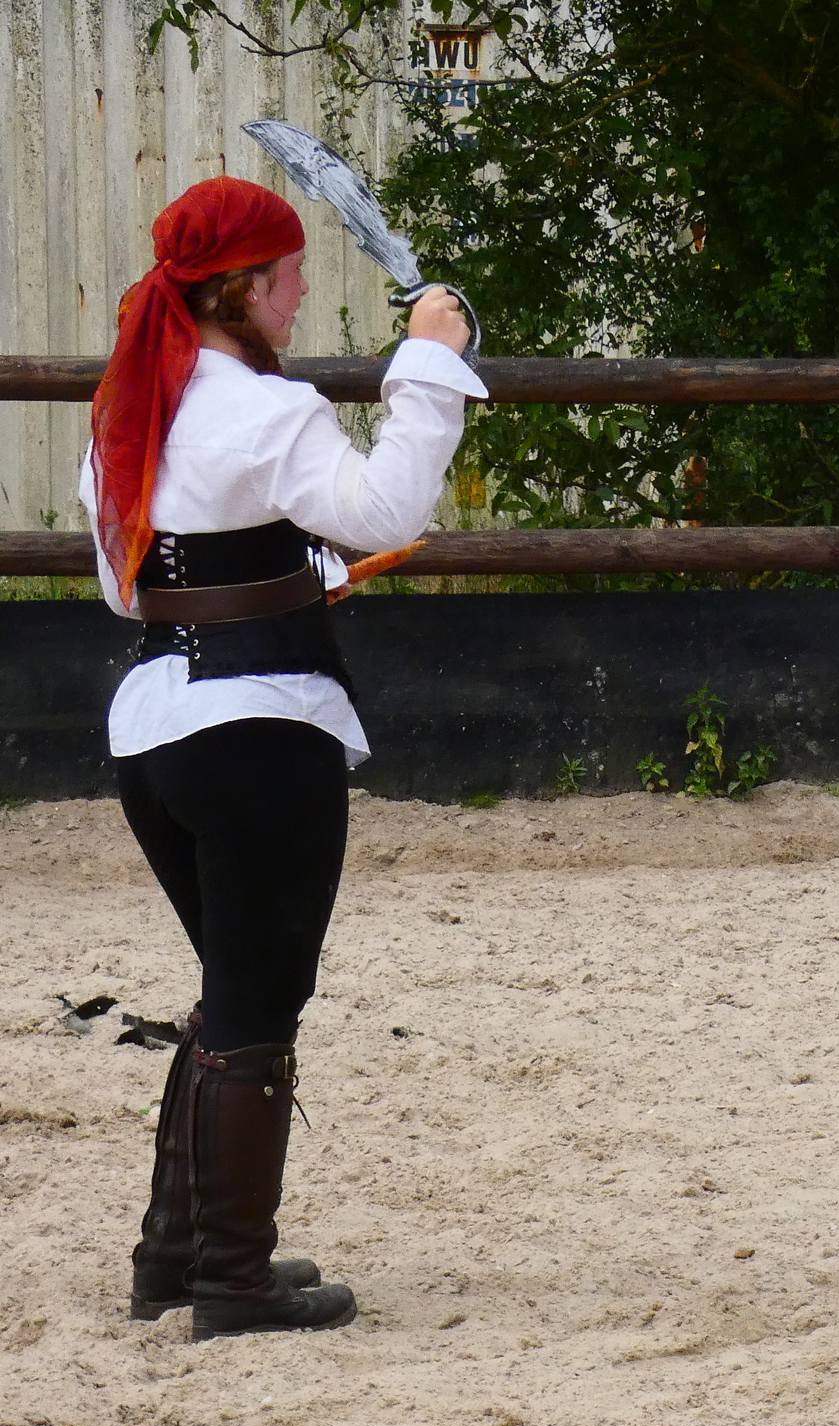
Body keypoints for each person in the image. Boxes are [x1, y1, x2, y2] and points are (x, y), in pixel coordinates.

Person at [83, 176, 483, 1340]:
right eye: (291, 274)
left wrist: (284, 577)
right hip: (260, 735)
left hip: (155, 734)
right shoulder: (269, 411)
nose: (302, 292)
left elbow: (127, 588)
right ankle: (234, 1282)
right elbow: (387, 507)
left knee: (232, 991)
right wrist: (428, 360)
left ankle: (179, 1257)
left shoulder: (131, 408)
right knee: (258, 1003)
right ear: (245, 288)